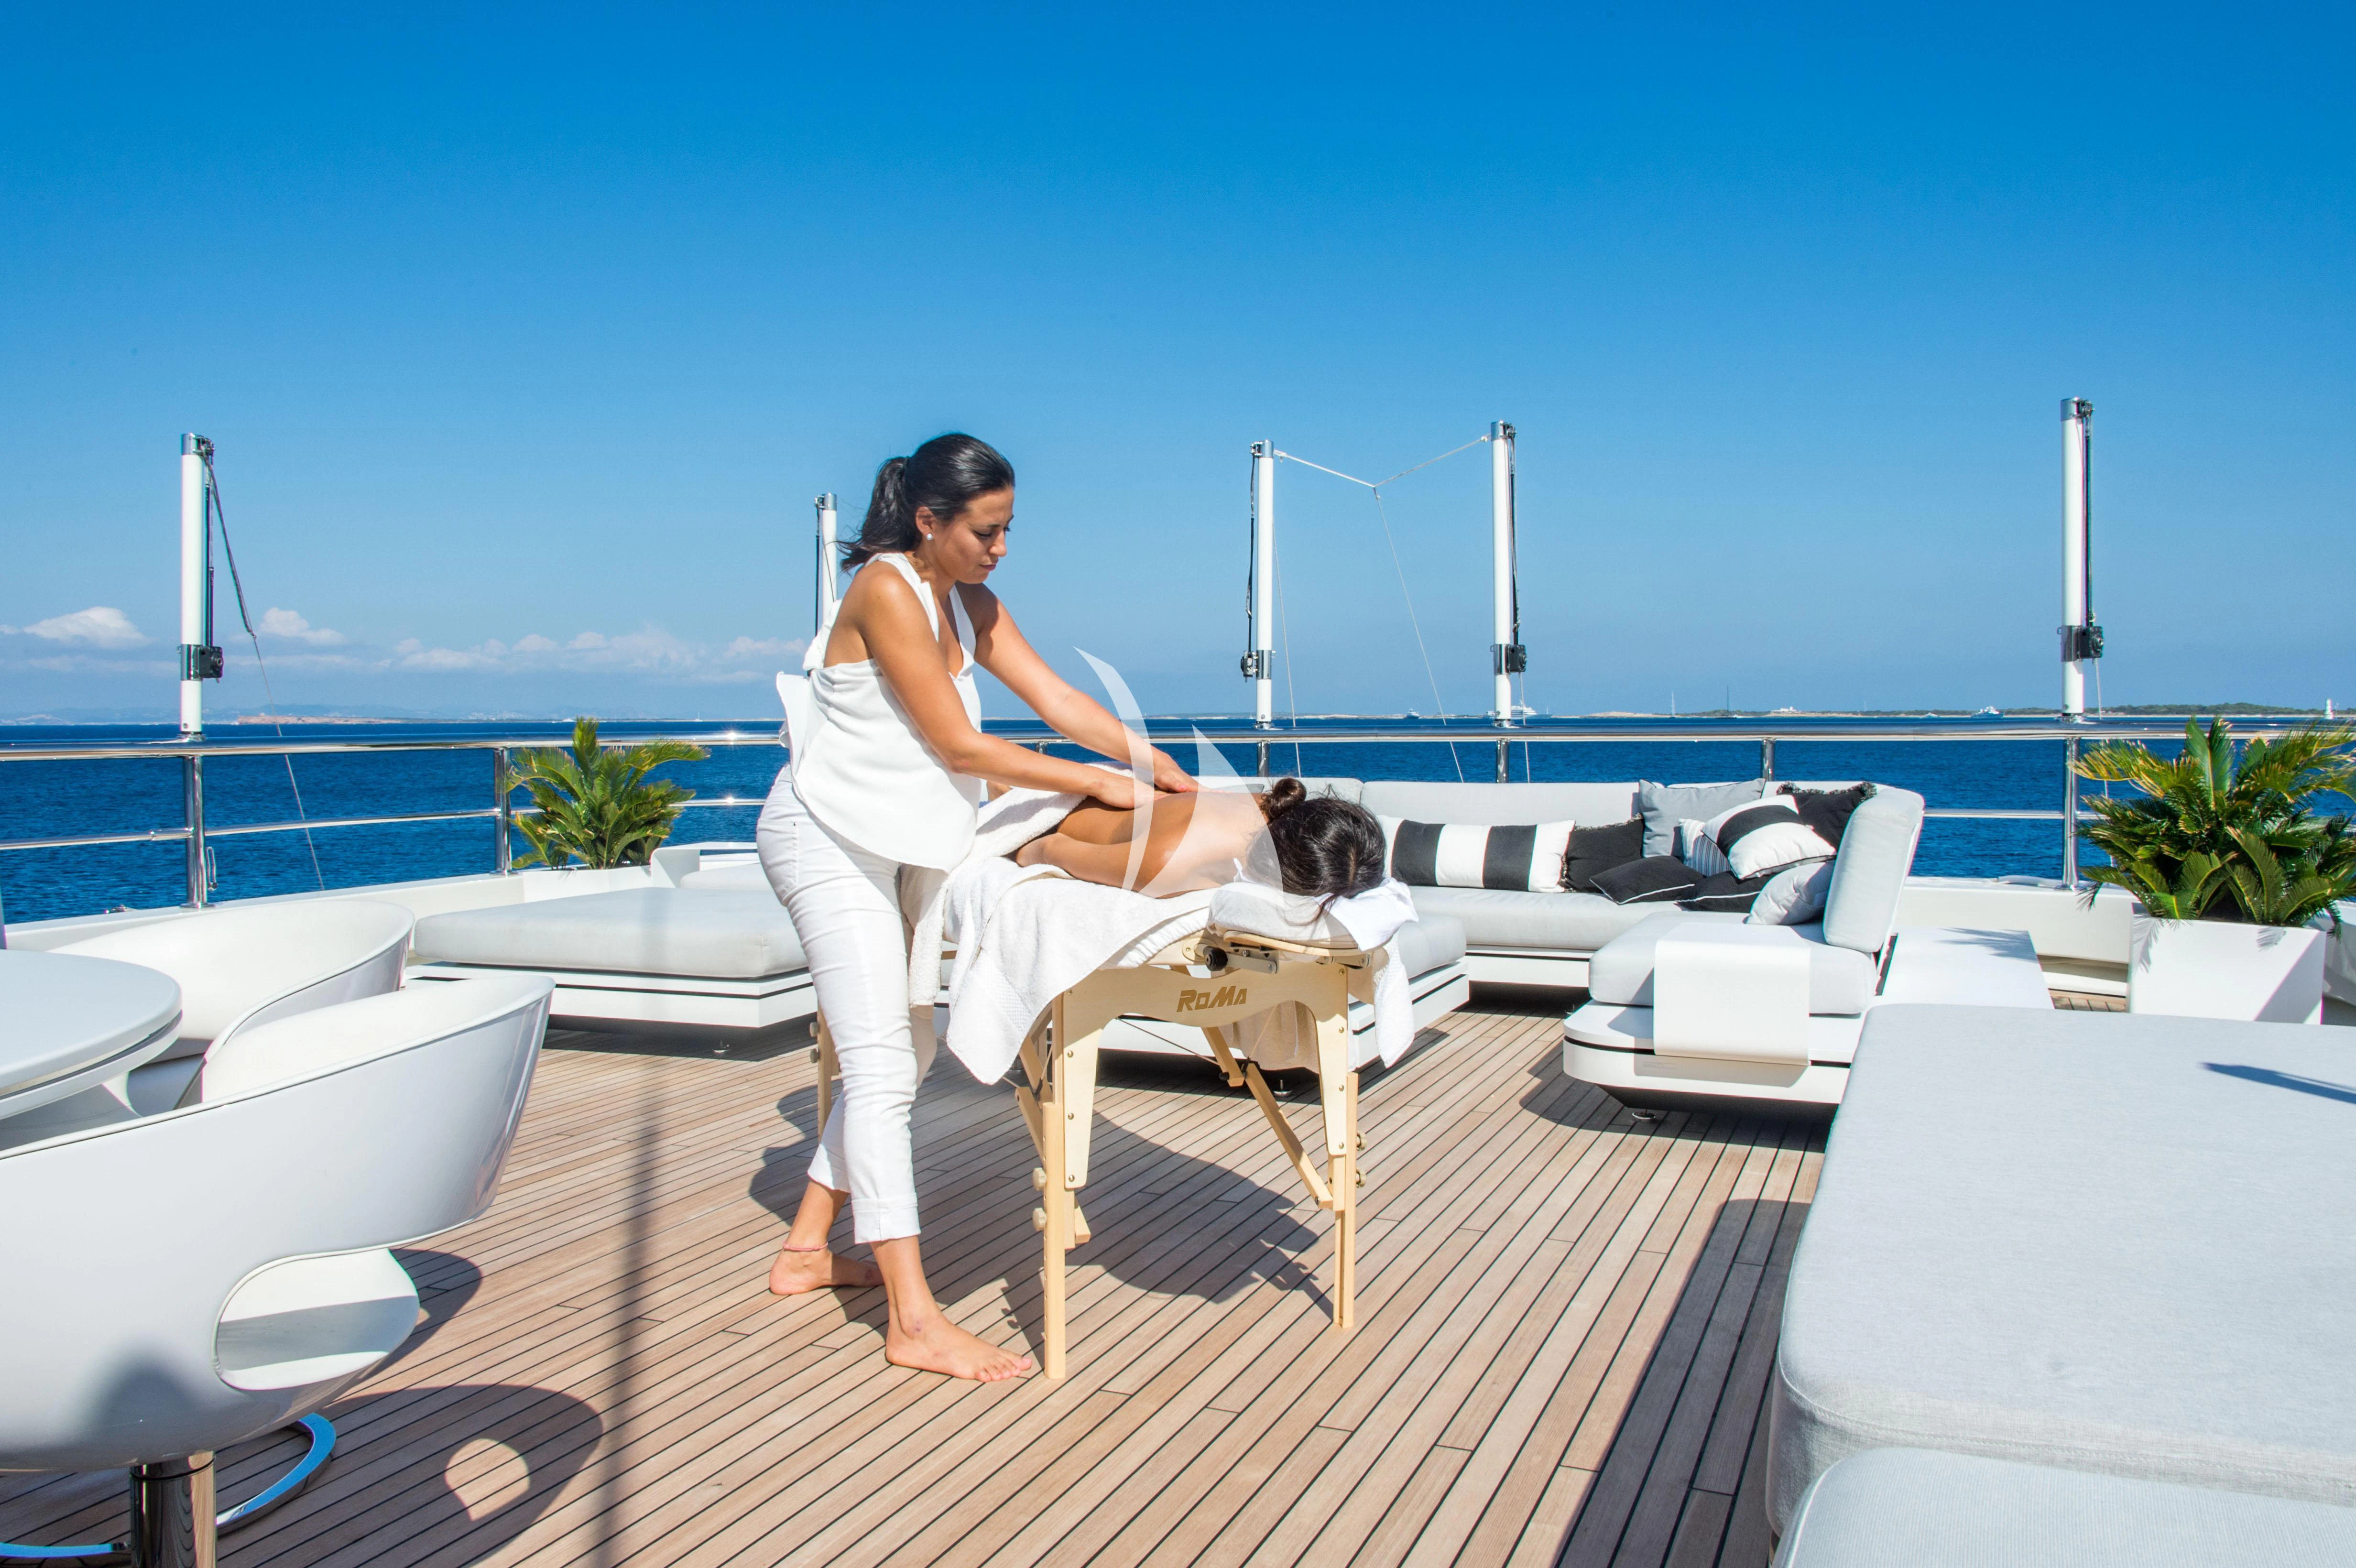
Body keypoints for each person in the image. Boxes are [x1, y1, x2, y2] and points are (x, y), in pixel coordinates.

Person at [756, 432, 1196, 1382]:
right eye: (986, 531)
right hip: (827, 835)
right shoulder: (883, 588)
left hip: (903, 838)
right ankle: (914, 1319)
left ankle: (803, 1251)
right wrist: (1092, 780)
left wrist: (1140, 755)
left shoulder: (973, 601)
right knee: (880, 1068)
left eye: (1007, 531)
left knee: (905, 1050)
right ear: (929, 520)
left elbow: (1055, 695)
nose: (1001, 549)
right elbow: (959, 744)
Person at [1014, 777, 1389, 908]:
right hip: (1040, 814)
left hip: (1102, 796)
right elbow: (1046, 849)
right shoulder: (1168, 863)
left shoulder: (1268, 806)